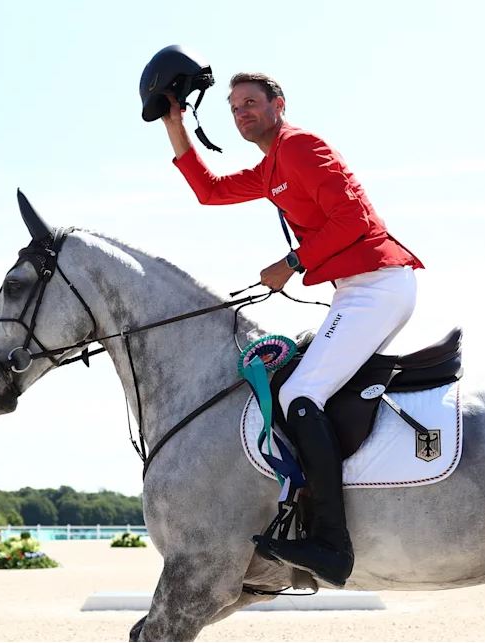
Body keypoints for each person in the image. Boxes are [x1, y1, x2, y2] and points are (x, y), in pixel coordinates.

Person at [159, 70, 423, 587]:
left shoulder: (300, 147)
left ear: (278, 103)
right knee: (306, 386)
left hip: (378, 283)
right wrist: (175, 126)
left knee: (301, 392)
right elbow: (209, 192)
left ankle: (330, 543)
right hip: (356, 288)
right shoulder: (271, 166)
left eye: (252, 103)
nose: (242, 113)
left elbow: (355, 220)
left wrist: (292, 262)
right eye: (234, 108)